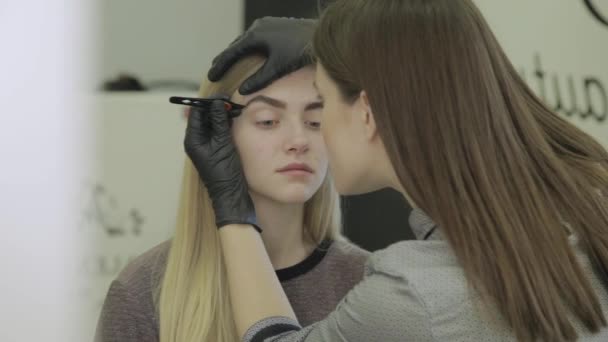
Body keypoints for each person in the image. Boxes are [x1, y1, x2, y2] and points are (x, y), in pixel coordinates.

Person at [189, 1, 608, 341]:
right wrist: (335, 43)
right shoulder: (589, 200)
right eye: (268, 120)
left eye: (321, 104)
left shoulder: (414, 294)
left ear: (367, 112)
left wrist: (230, 206)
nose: (307, 136)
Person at [94, 27, 369, 342]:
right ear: (216, 133)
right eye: (268, 120)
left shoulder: (367, 284)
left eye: (315, 122)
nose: (298, 141)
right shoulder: (143, 292)